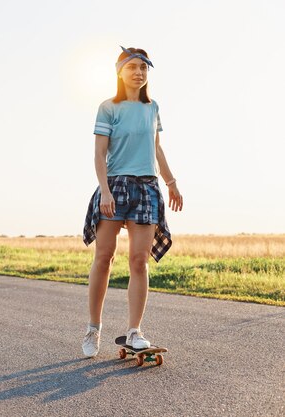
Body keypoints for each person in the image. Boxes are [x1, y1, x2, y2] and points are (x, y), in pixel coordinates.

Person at [81, 46, 183, 357]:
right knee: (104, 257)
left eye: (144, 68)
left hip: (147, 188)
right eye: (133, 67)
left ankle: (135, 330)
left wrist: (171, 183)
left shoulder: (153, 108)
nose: (139, 72)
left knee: (139, 261)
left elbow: (157, 149)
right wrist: (105, 191)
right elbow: (99, 154)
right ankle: (93, 329)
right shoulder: (108, 108)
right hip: (115, 186)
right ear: (120, 72)